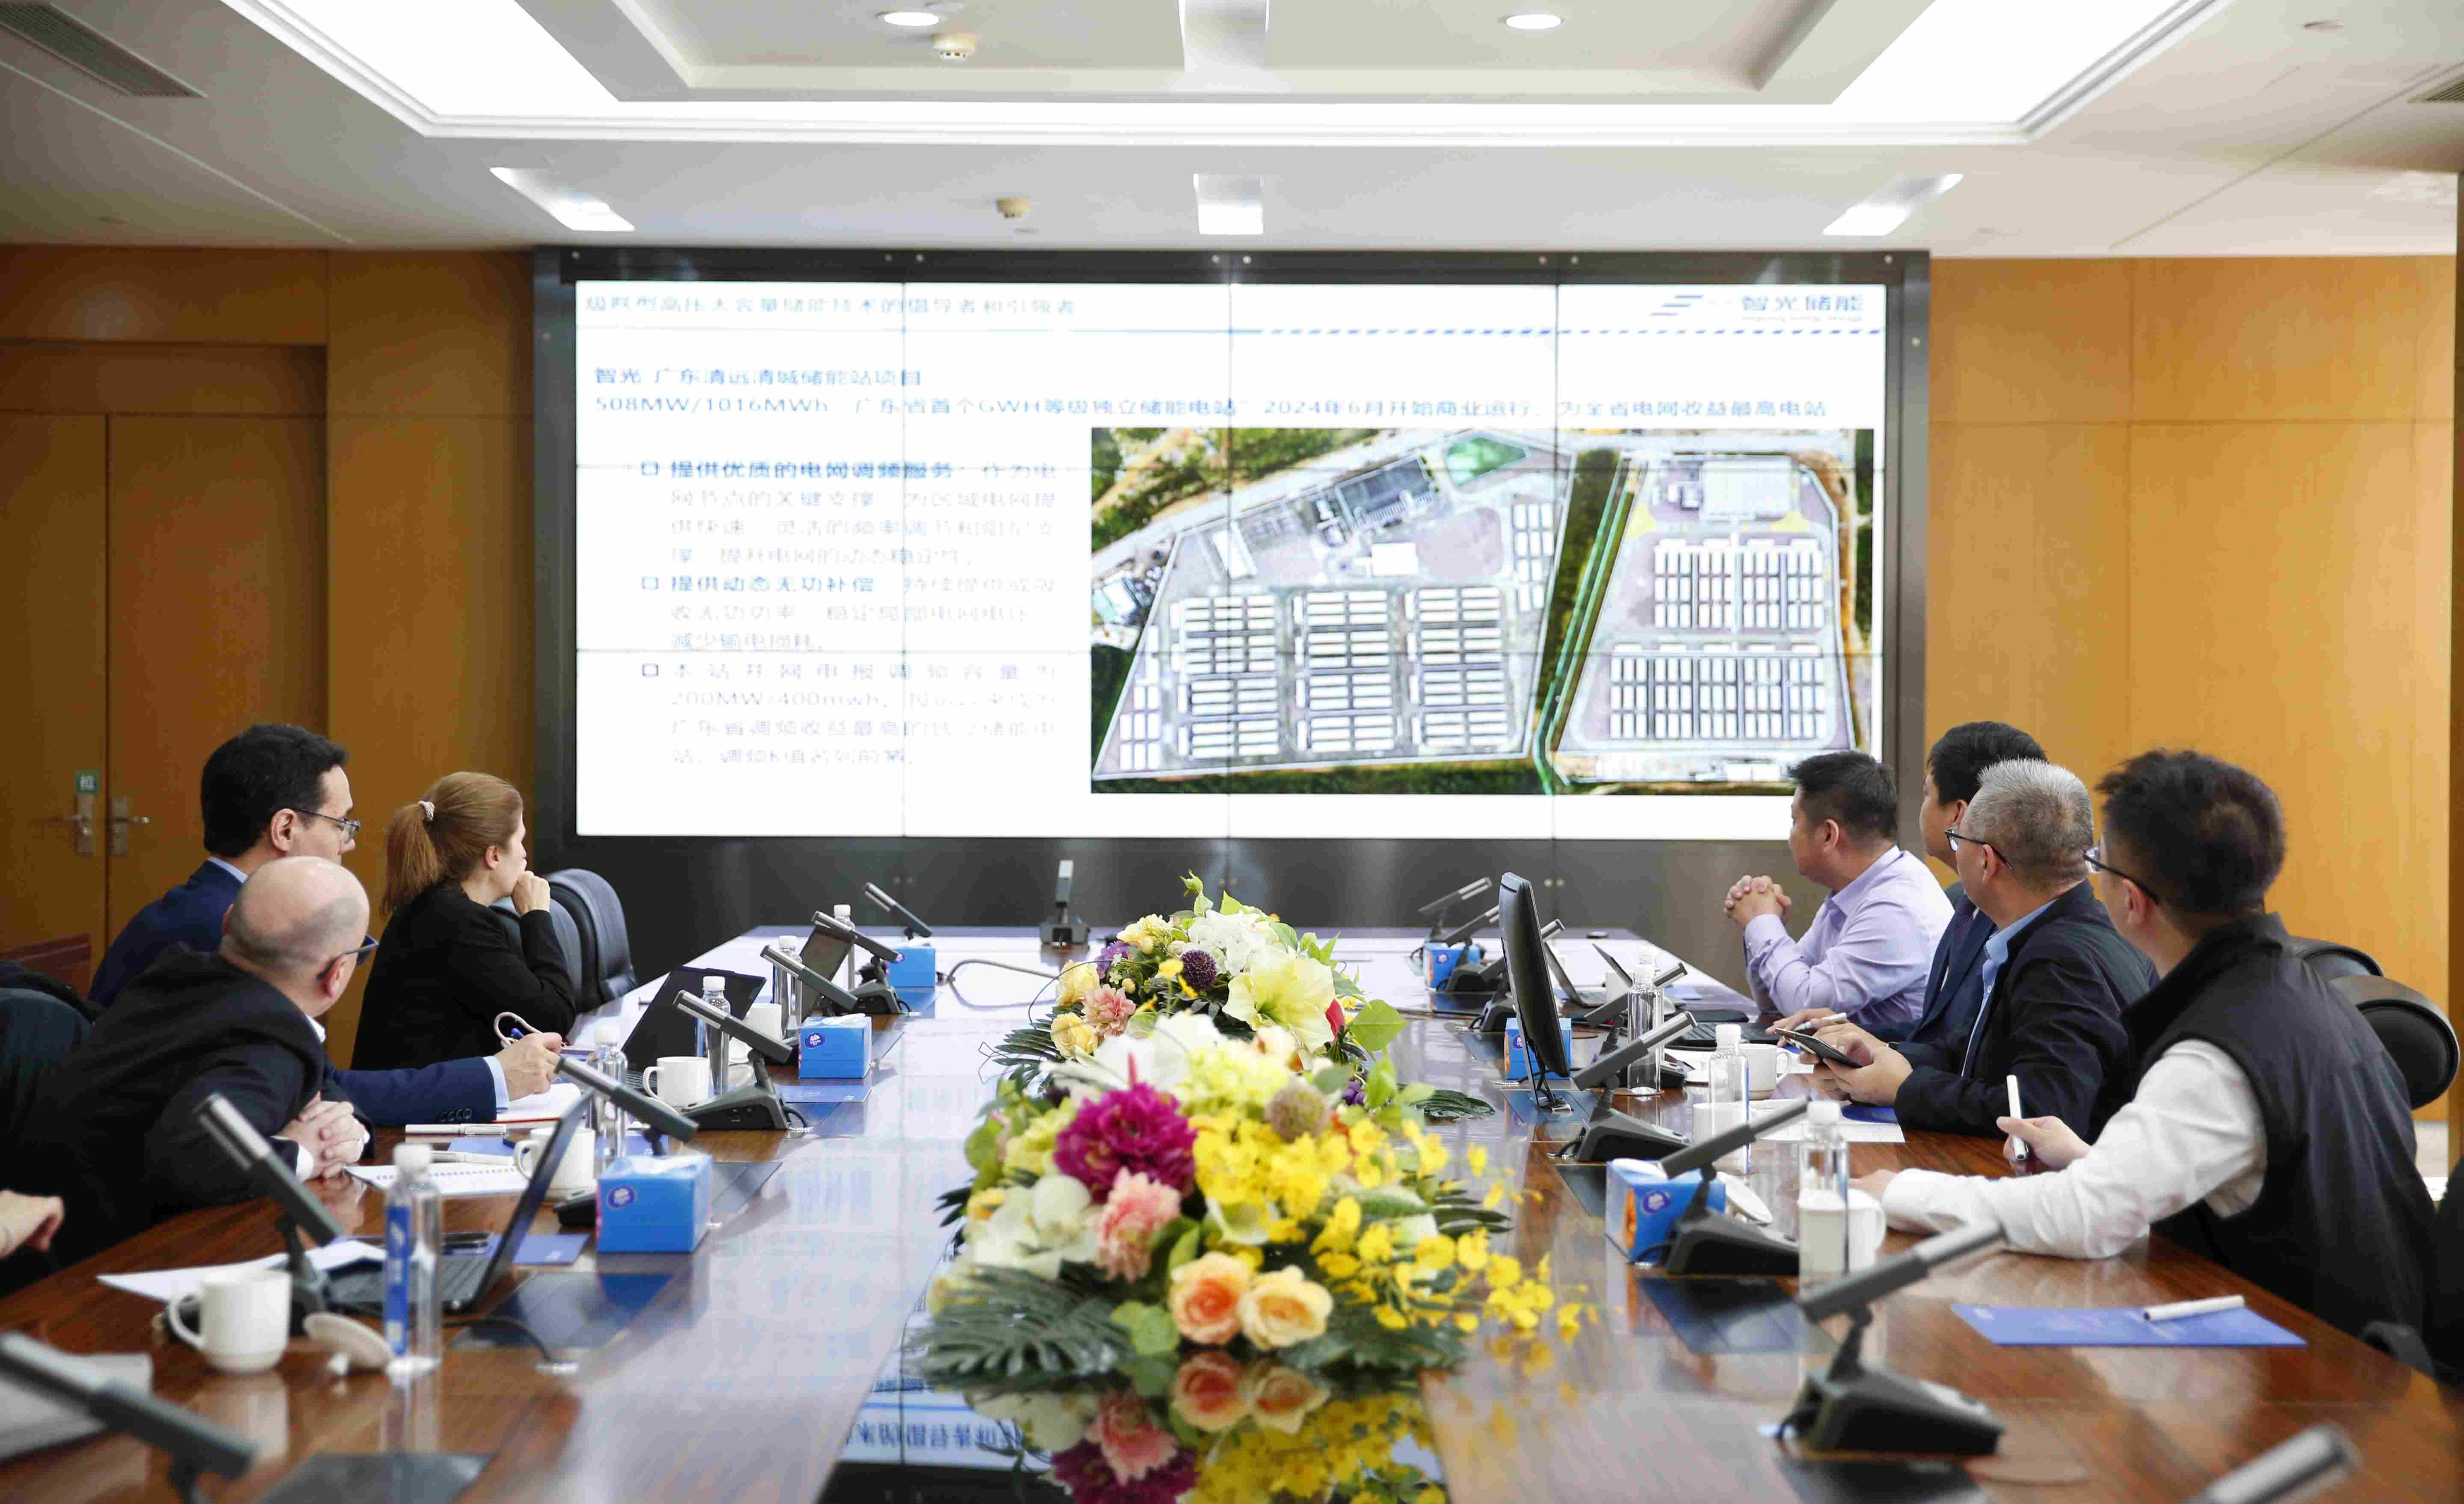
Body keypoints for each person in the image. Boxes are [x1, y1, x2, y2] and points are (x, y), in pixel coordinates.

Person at [1858, 750, 2435, 1343]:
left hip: (2320, 1364)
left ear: (2131, 901)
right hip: (2350, 1334)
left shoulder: (2217, 1049)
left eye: (2097, 862)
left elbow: (2085, 1217)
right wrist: (2093, 1159)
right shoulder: (2301, 994)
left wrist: (1899, 1191)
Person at [86, 724, 562, 1123]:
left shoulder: (196, 910)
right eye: (342, 823)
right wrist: (495, 1077)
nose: (348, 843)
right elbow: (308, 1094)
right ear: (285, 829)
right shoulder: (227, 931)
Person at [23, 858, 374, 1268]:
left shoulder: (180, 977)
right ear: (337, 973)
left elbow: (317, 1080)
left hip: (46, 1237)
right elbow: (191, 1155)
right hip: (92, 1270)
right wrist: (305, 1153)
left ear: (227, 923)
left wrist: (347, 1130)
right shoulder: (267, 1043)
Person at [1805, 760, 2152, 1138]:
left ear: (1986, 861)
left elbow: (2041, 1111)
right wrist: (1884, 1054)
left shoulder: (2060, 960)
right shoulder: (2057, 930)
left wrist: (1905, 1089)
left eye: (1958, 840)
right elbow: (1978, 1051)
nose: (1955, 852)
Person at [353, 772, 578, 1073]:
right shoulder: (457, 923)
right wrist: (536, 916)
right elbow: (554, 1017)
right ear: (494, 855)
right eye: (520, 841)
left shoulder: (437, 909)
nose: (525, 854)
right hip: (412, 1104)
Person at [1842, 720, 2048, 1045]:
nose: (1920, 807)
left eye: (1927, 794)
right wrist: (1852, 1034)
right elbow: (1943, 1034)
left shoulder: (2015, 922)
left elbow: (1971, 1054)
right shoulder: (1961, 900)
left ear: (1958, 815)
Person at [1726, 751, 1950, 1033]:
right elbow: (1777, 1003)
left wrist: (1762, 922)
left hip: (1897, 1060)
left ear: (1828, 835)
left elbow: (1803, 1004)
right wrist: (1762, 924)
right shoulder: (1854, 889)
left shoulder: (1897, 906)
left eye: (1795, 821)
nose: (1790, 836)